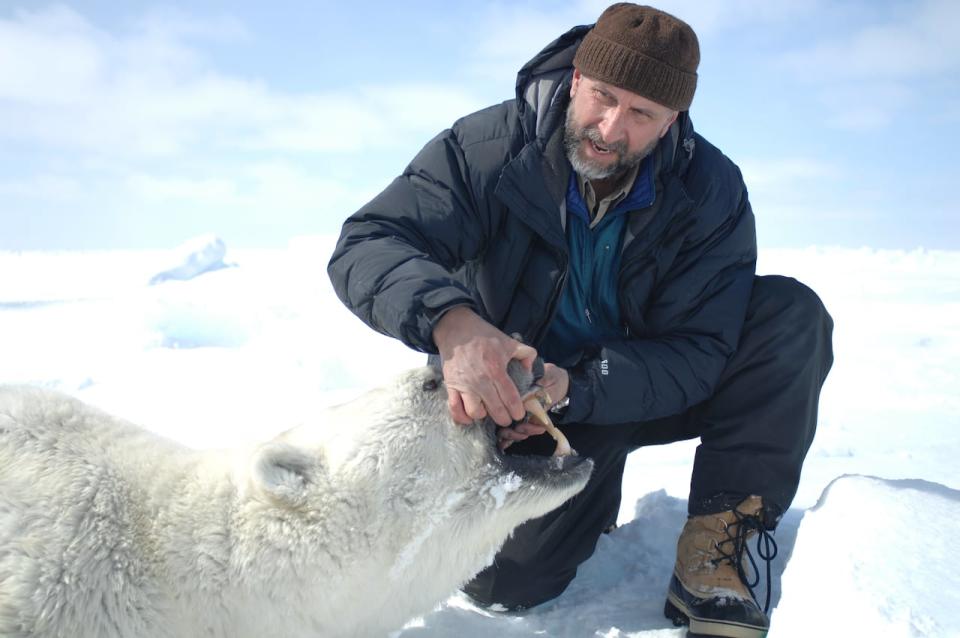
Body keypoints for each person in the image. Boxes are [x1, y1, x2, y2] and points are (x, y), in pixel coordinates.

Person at [328, 4, 834, 637]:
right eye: (603, 96)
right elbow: (369, 242)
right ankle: (590, 492)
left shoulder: (711, 189)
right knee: (505, 585)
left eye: (642, 114)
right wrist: (451, 322)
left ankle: (721, 541)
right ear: (575, 81)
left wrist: (583, 385)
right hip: (517, 404)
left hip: (630, 387)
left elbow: (702, 350)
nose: (610, 128)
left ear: (672, 121)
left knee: (789, 316)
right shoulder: (486, 149)